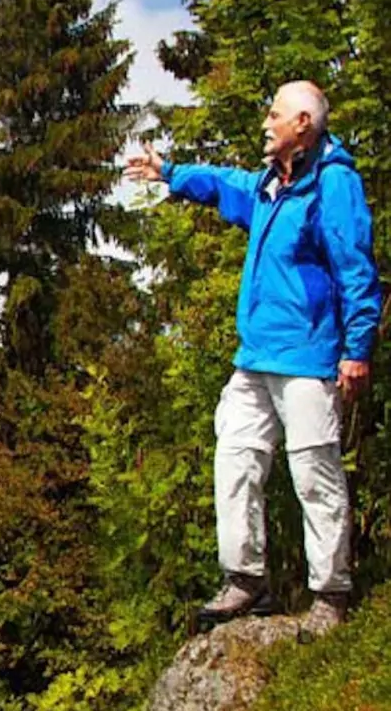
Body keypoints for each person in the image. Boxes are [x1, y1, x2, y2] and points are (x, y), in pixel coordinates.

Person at [124, 81, 380, 636]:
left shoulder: (332, 185)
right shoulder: (271, 185)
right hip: (256, 357)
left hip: (310, 358)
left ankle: (331, 595)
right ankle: (245, 580)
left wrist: (356, 351)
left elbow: (356, 268)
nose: (266, 123)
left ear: (303, 125)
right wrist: (169, 173)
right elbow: (225, 184)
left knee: (315, 473)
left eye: (275, 114)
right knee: (236, 457)